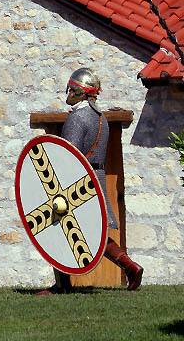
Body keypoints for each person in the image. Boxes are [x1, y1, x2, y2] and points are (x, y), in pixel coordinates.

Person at [38, 68, 143, 295]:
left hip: (78, 181)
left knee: (57, 226)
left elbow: (68, 155)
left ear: (78, 91)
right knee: (93, 233)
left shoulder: (77, 117)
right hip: (96, 177)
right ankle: (130, 266)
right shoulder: (101, 118)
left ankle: (62, 285)